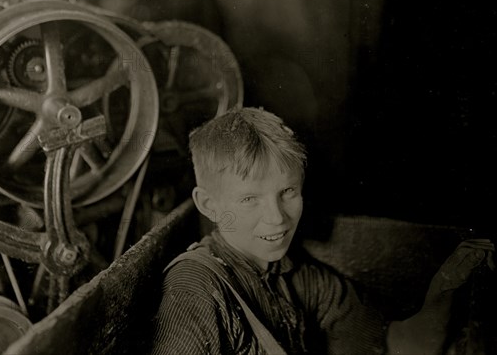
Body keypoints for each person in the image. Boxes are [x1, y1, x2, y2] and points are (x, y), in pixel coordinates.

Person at [150, 107, 494, 355]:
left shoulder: (295, 276)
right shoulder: (196, 284)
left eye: (288, 192)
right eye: (249, 199)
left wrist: (444, 289)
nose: (277, 218)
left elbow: (394, 342)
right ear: (208, 205)